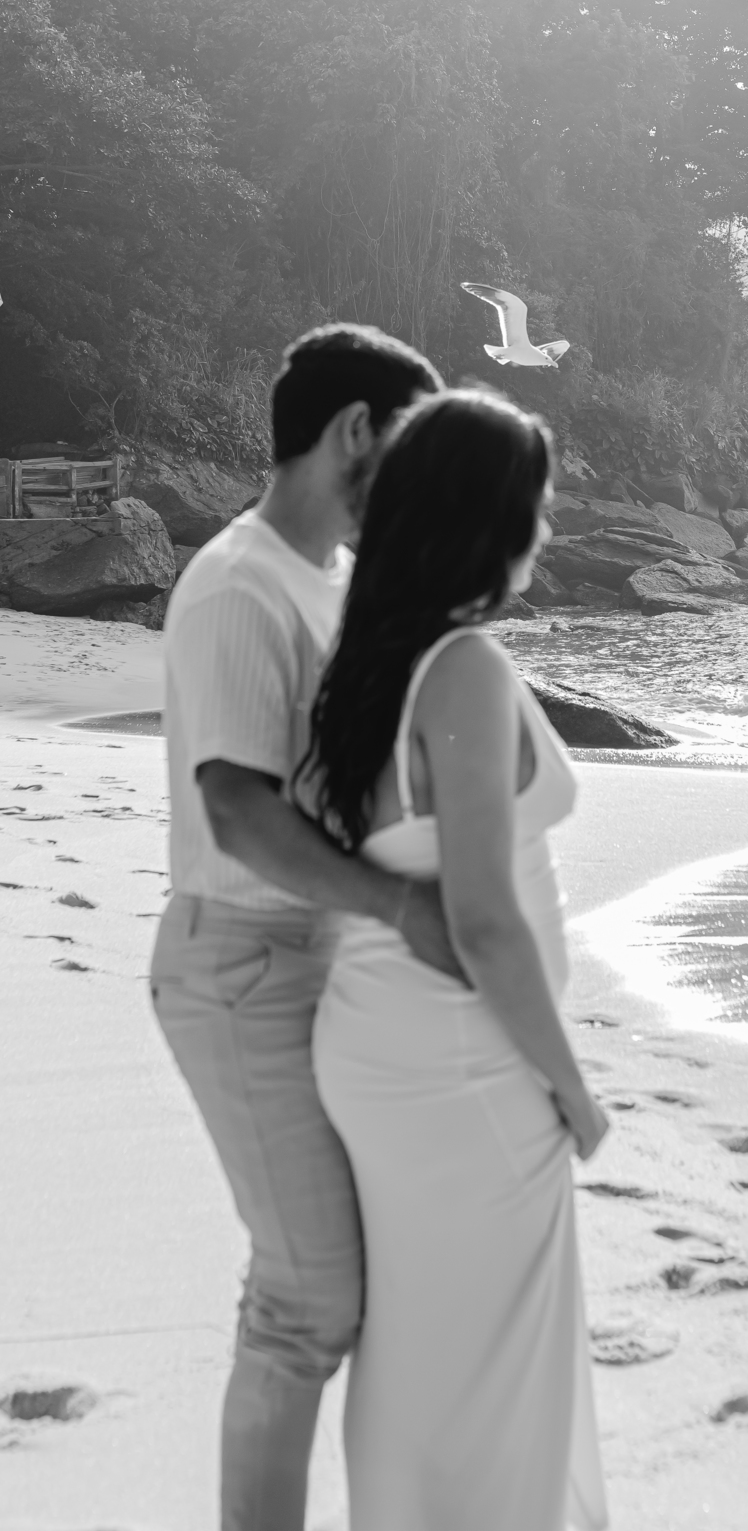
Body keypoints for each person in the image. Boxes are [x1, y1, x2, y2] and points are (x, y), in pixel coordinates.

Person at [150, 325, 458, 1531]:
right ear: (355, 432)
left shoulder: (327, 577)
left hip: (321, 961)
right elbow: (238, 810)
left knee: (354, 1273)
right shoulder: (239, 582)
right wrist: (396, 904)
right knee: (308, 1298)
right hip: (240, 967)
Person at [302, 390, 610, 1531]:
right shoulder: (464, 668)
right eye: (537, 502)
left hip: (382, 1044)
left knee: (422, 1351)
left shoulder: (364, 661)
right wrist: (571, 1087)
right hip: (463, 1063)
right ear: (490, 518)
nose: (546, 525)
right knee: (496, 1369)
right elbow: (481, 918)